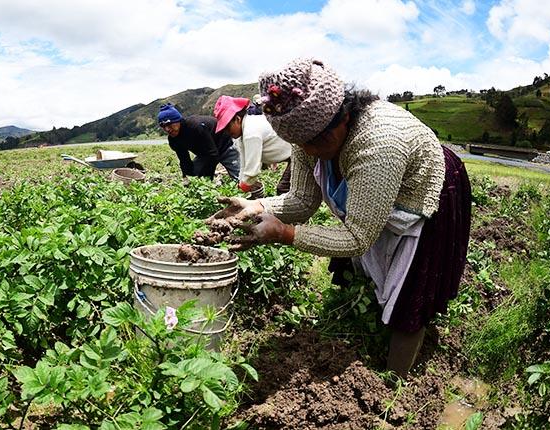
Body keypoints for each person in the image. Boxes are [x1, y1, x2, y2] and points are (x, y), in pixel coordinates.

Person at [208, 58, 471, 378]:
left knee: (412, 293)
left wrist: (285, 234)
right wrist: (259, 206)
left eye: (317, 141)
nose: (310, 151)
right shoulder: (307, 134)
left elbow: (358, 237)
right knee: (374, 262)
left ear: (343, 115)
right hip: (379, 179)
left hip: (428, 186)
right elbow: (302, 200)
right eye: (301, 144)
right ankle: (370, 310)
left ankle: (396, 383)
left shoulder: (378, 143)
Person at [213, 95, 292, 198]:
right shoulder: (242, 134)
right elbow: (244, 164)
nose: (227, 132)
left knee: (283, 189)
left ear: (237, 119)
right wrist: (240, 184)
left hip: (297, 153)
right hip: (291, 155)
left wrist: (240, 193)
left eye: (228, 128)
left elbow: (252, 171)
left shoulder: (251, 132)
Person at [157, 103, 240, 181]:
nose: (167, 129)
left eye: (169, 125)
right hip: (205, 154)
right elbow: (184, 159)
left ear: (178, 121)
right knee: (192, 172)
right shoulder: (173, 139)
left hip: (225, 145)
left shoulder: (195, 127)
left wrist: (207, 180)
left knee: (240, 178)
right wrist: (186, 177)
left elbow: (213, 155)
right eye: (163, 126)